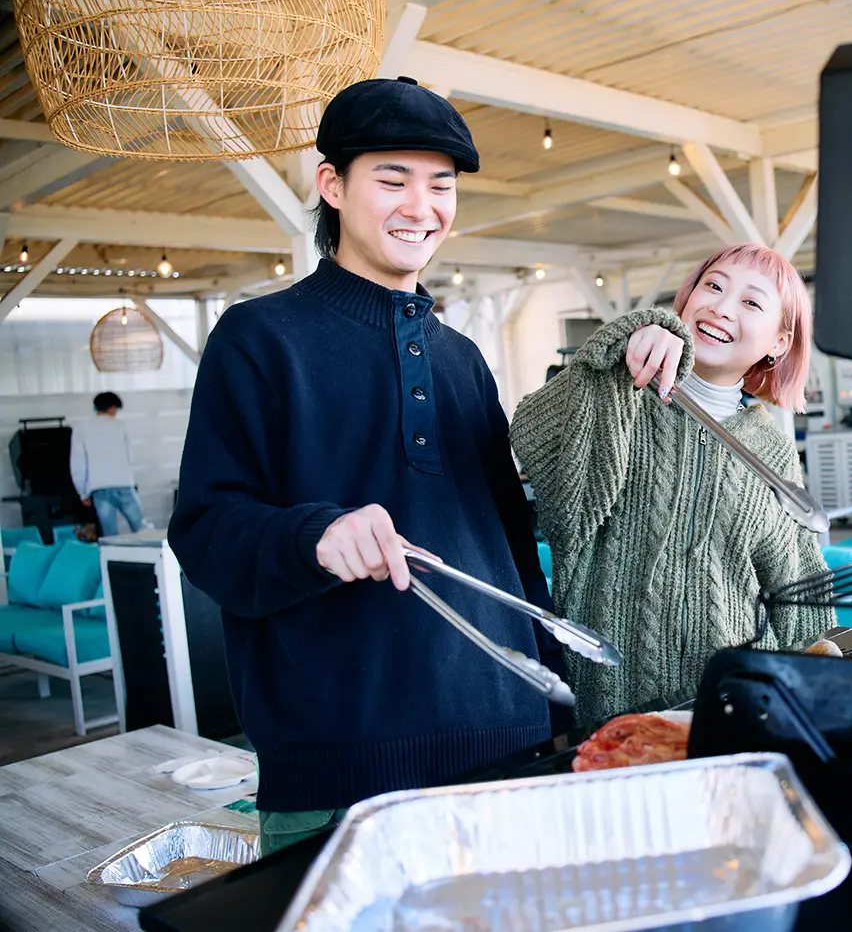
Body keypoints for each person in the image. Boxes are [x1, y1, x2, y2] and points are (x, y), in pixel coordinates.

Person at [167, 76, 566, 855]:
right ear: (332, 186)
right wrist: (314, 537)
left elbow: (513, 551)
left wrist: (555, 708)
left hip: (505, 749)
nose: (422, 206)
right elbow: (206, 530)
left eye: (441, 185)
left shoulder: (461, 360)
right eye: (393, 178)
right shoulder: (259, 339)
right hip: (337, 774)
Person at [511, 243, 832, 725]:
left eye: (751, 302)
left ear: (779, 342)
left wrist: (820, 690)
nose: (722, 307)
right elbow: (536, 441)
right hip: (611, 703)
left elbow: (797, 581)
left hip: (729, 703)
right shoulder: (621, 399)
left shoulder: (771, 448)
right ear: (685, 301)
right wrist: (622, 347)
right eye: (713, 286)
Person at [71, 392, 145, 537]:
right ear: (112, 407)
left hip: (99, 488)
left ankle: (113, 558)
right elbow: (130, 457)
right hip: (124, 484)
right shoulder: (122, 426)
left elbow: (78, 462)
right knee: (141, 529)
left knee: (110, 536)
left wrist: (83, 492)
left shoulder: (81, 429)